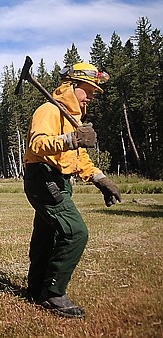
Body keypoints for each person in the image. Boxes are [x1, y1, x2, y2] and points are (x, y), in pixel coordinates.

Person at [23, 62, 121, 318]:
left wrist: (101, 180)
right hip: (43, 178)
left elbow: (79, 159)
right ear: (72, 86)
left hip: (60, 180)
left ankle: (36, 290)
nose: (91, 95)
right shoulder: (49, 110)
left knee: (48, 236)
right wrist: (71, 139)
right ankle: (54, 294)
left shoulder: (74, 119)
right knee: (75, 232)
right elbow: (37, 144)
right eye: (88, 89)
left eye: (93, 91)